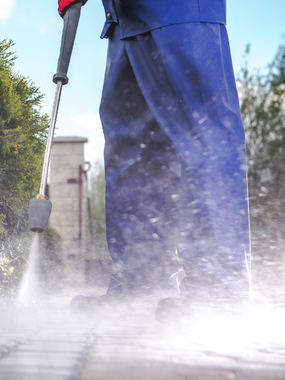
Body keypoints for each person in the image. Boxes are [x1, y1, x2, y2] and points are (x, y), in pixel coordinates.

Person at [57, 0, 252, 322]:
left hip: (180, 11)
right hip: (124, 19)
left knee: (204, 134)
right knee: (133, 148)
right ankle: (141, 281)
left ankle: (218, 293)